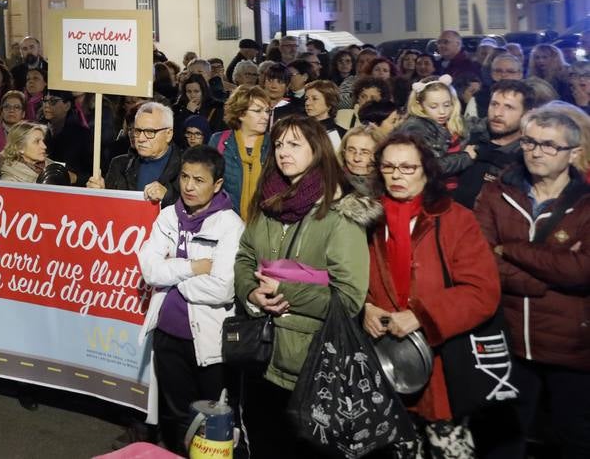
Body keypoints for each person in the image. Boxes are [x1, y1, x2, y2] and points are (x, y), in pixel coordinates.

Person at [233, 116, 378, 457]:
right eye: (280, 144)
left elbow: (350, 298)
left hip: (312, 366)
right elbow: (244, 259)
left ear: (318, 151)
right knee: (264, 445)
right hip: (261, 354)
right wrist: (251, 292)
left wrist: (282, 289)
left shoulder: (339, 214)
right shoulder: (268, 202)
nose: (284, 152)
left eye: (295, 144)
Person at [362, 130, 500, 454]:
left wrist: (421, 316)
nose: (397, 175)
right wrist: (364, 307)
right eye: (388, 167)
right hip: (384, 361)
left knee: (446, 447)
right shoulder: (365, 219)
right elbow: (345, 279)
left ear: (426, 170)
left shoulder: (455, 220)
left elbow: (482, 292)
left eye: (407, 168)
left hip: (442, 365)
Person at [473, 104, 590, 459]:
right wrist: (538, 281)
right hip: (509, 340)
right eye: (530, 142)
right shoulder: (498, 191)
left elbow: (582, 270)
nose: (537, 151)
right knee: (503, 439)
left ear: (574, 153)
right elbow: (479, 260)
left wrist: (508, 249)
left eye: (550, 145)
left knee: (575, 438)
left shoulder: (585, 203)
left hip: (570, 344)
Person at [138, 146, 244, 451]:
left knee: (212, 420)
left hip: (207, 343)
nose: (189, 186)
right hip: (167, 334)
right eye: (184, 177)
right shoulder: (169, 215)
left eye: (199, 180)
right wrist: (192, 269)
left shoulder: (229, 226)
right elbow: (149, 270)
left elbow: (222, 288)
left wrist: (173, 278)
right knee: (173, 418)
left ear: (218, 185)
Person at [453, 80, 537, 209]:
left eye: (509, 107)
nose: (498, 113)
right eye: (494, 104)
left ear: (527, 114)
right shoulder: (467, 136)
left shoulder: (528, 155)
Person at [88, 102, 180, 205]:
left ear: (168, 134)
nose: (140, 139)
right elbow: (110, 209)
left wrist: (167, 196)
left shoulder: (186, 166)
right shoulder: (119, 165)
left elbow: (197, 210)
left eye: (150, 132)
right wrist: (100, 194)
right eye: (137, 131)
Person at [211, 85, 272, 217]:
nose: (265, 117)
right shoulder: (219, 141)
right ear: (240, 114)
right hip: (226, 223)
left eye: (267, 111)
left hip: (265, 223)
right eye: (258, 111)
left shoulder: (274, 143)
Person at [398, 75, 470, 179]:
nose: (442, 112)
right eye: (433, 106)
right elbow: (431, 166)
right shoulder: (415, 128)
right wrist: (466, 157)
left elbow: (478, 124)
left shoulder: (454, 121)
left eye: (446, 105)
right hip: (430, 189)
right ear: (420, 105)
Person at [40, 88, 94, 184]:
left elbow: (92, 173)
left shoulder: (82, 135)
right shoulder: (38, 130)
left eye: (53, 101)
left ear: (67, 105)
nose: (46, 105)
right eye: (44, 100)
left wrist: (75, 178)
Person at [0, 89, 27, 165]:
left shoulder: (30, 134)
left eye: (17, 107)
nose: (11, 110)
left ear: (23, 113)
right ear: (2, 112)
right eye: (7, 107)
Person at [337, 124, 382, 195]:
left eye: (365, 152)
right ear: (343, 153)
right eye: (351, 150)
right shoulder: (332, 184)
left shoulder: (388, 187)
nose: (356, 158)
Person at [302, 80, 344, 147]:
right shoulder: (299, 128)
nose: (307, 103)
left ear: (329, 103)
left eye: (314, 99)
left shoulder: (341, 134)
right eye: (306, 98)